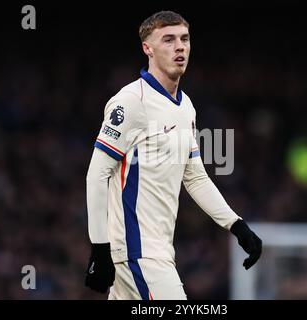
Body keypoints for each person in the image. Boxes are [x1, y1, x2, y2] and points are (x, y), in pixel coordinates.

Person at [84, 10, 262, 300]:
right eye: (168, 40)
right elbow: (97, 174)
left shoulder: (186, 107)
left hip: (158, 251)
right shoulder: (131, 101)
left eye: (184, 39)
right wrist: (100, 248)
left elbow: (194, 177)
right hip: (136, 253)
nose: (179, 46)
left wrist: (236, 225)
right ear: (148, 49)